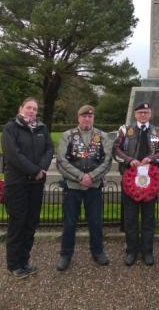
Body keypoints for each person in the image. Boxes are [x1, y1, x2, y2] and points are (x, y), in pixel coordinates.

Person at [2, 97, 53, 279]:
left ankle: (25, 261)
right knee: (18, 224)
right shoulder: (11, 128)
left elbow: (49, 149)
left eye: (35, 108)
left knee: (31, 223)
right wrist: (34, 170)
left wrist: (42, 168)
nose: (32, 111)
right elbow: (14, 155)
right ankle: (14, 265)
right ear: (21, 108)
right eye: (29, 107)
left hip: (36, 184)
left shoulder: (42, 128)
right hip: (17, 184)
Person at [56, 105, 112, 271]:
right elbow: (62, 161)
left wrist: (92, 177)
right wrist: (81, 177)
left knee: (95, 222)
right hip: (72, 187)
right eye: (84, 116)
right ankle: (65, 254)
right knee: (69, 223)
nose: (87, 119)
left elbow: (107, 160)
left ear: (93, 118)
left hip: (94, 187)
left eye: (90, 116)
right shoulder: (68, 135)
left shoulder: (102, 136)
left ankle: (98, 252)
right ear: (78, 118)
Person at [113, 102, 159, 266]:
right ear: (135, 115)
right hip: (130, 181)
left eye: (146, 112)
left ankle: (147, 252)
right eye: (140, 112)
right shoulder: (125, 130)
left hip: (150, 182)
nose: (143, 115)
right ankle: (131, 252)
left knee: (149, 219)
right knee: (130, 219)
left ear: (150, 114)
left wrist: (152, 158)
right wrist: (130, 160)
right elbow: (116, 149)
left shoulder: (158, 132)